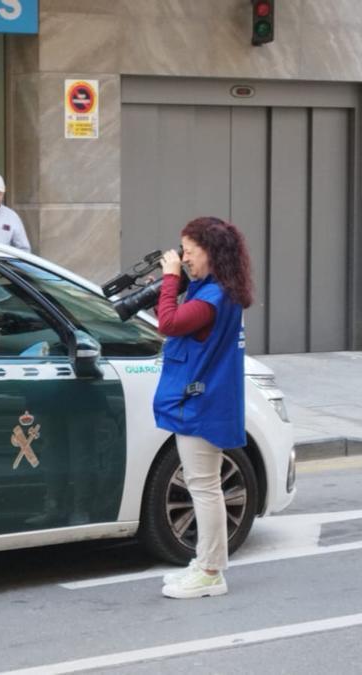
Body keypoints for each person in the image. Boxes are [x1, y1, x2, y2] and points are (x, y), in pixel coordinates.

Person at [152, 216, 254, 600]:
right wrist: (179, 280)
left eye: (190, 252)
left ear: (211, 253)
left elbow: (169, 322)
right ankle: (207, 562)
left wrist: (169, 280)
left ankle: (211, 572)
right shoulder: (219, 291)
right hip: (208, 398)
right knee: (204, 485)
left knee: (204, 487)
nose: (184, 259)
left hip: (201, 403)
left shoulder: (211, 299)